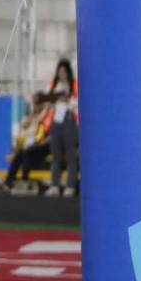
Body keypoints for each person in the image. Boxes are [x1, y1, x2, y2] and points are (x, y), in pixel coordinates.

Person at [43, 58, 78, 197]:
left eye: (64, 72)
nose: (62, 75)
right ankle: (55, 184)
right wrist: (53, 100)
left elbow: (78, 103)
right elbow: (46, 101)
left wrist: (69, 101)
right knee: (56, 154)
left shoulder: (74, 85)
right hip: (56, 121)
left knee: (70, 154)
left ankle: (70, 185)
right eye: (60, 72)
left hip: (69, 119)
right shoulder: (53, 85)